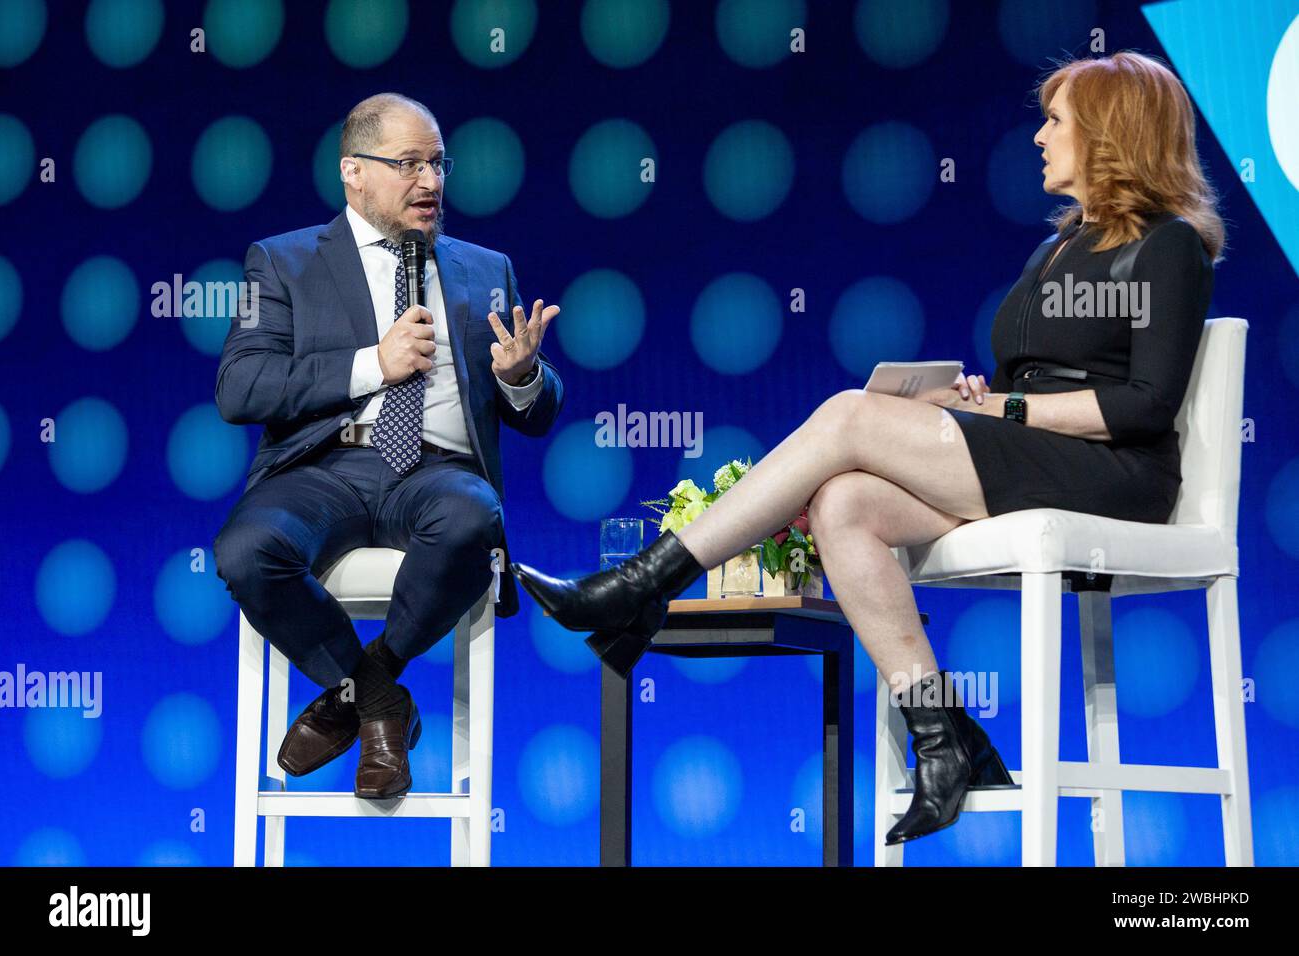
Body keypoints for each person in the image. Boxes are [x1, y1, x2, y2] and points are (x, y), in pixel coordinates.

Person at [511, 51, 1223, 845]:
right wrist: (974, 400)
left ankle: (642, 585)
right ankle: (944, 738)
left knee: (851, 416)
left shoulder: (1169, 245)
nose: (1040, 138)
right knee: (842, 504)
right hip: (1034, 456)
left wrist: (1012, 409)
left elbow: (1145, 404)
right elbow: (1028, 378)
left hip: (1116, 475)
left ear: (1108, 131)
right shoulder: (1054, 250)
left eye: (1056, 121)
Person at [213, 93, 564, 799]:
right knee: (246, 552)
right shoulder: (280, 263)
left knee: (473, 517)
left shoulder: (483, 267)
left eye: (438, 164)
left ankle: (362, 690)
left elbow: (535, 413)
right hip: (322, 469)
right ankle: (384, 707)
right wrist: (374, 362)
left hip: (435, 473)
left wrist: (523, 376)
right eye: (408, 164)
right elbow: (241, 388)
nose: (431, 182)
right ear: (354, 172)